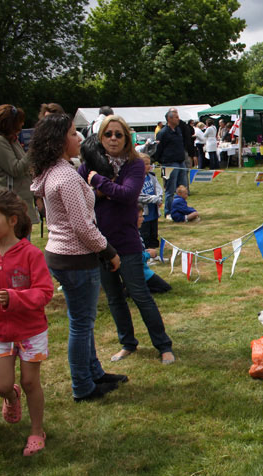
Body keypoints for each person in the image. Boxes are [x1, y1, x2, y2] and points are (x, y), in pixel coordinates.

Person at [29, 114, 124, 402]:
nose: (79, 139)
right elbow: (81, 226)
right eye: (72, 134)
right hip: (74, 257)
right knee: (81, 324)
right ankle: (83, 386)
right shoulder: (66, 177)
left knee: (83, 322)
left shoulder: (52, 172)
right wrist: (108, 251)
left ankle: (94, 372)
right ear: (59, 141)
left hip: (62, 254)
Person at [78, 115, 175, 365]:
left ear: (126, 138)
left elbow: (129, 194)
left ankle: (164, 345)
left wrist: (98, 183)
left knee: (140, 294)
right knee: (114, 297)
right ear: (100, 137)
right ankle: (127, 343)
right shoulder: (90, 163)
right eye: (108, 134)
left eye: (118, 134)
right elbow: (81, 197)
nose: (113, 138)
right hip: (98, 241)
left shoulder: (133, 164)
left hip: (126, 240)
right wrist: (106, 190)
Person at [0, 189, 53, 455]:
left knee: (31, 383)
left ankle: (36, 431)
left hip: (31, 331)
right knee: (2, 386)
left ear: (12, 220)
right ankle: (11, 397)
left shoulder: (31, 254)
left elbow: (45, 292)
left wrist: (15, 298)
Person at [0, 104, 39, 229]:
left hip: (19, 198)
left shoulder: (10, 139)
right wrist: (33, 151)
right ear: (10, 123)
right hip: (10, 201)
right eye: (19, 121)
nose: (22, 124)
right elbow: (15, 169)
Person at [155, 109, 188, 217]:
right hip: (169, 163)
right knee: (170, 189)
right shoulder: (163, 133)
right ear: (169, 119)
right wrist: (161, 162)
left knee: (182, 188)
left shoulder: (178, 130)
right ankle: (168, 212)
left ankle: (181, 209)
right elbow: (158, 149)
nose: (178, 119)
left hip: (180, 162)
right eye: (176, 117)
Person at [136, 205, 171, 294]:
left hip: (144, 270)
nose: (143, 219)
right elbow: (134, 258)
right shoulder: (131, 236)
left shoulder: (136, 232)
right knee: (165, 288)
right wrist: (149, 254)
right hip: (140, 273)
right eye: (140, 216)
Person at [138, 153, 163, 248]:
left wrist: (159, 197)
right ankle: (147, 254)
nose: (149, 166)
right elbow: (139, 196)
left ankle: (155, 253)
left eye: (149, 163)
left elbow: (159, 188)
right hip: (144, 213)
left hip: (154, 212)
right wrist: (154, 199)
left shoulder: (152, 176)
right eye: (146, 164)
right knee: (145, 235)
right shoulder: (136, 179)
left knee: (154, 233)